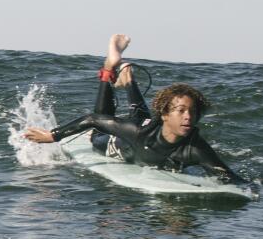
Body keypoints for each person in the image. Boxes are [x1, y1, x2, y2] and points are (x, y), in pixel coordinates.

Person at [21, 34, 244, 184]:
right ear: (166, 114)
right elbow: (93, 118)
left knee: (141, 117)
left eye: (193, 112)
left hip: (145, 130)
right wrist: (53, 135)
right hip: (117, 144)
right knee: (100, 132)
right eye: (181, 111)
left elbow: (227, 176)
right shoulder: (137, 132)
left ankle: (128, 76)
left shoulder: (195, 148)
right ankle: (109, 70)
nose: (188, 117)